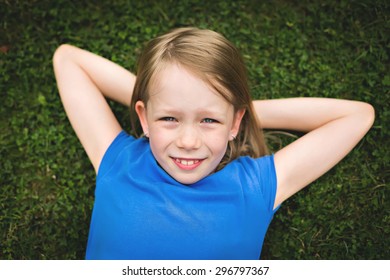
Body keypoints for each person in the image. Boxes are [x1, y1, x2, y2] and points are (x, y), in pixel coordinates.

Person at [53, 27, 375, 260]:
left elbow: (358, 116)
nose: (189, 141)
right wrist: (160, 103)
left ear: (235, 122)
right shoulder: (119, 162)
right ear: (144, 117)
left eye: (209, 120)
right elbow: (68, 60)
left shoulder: (256, 186)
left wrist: (235, 111)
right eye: (170, 119)